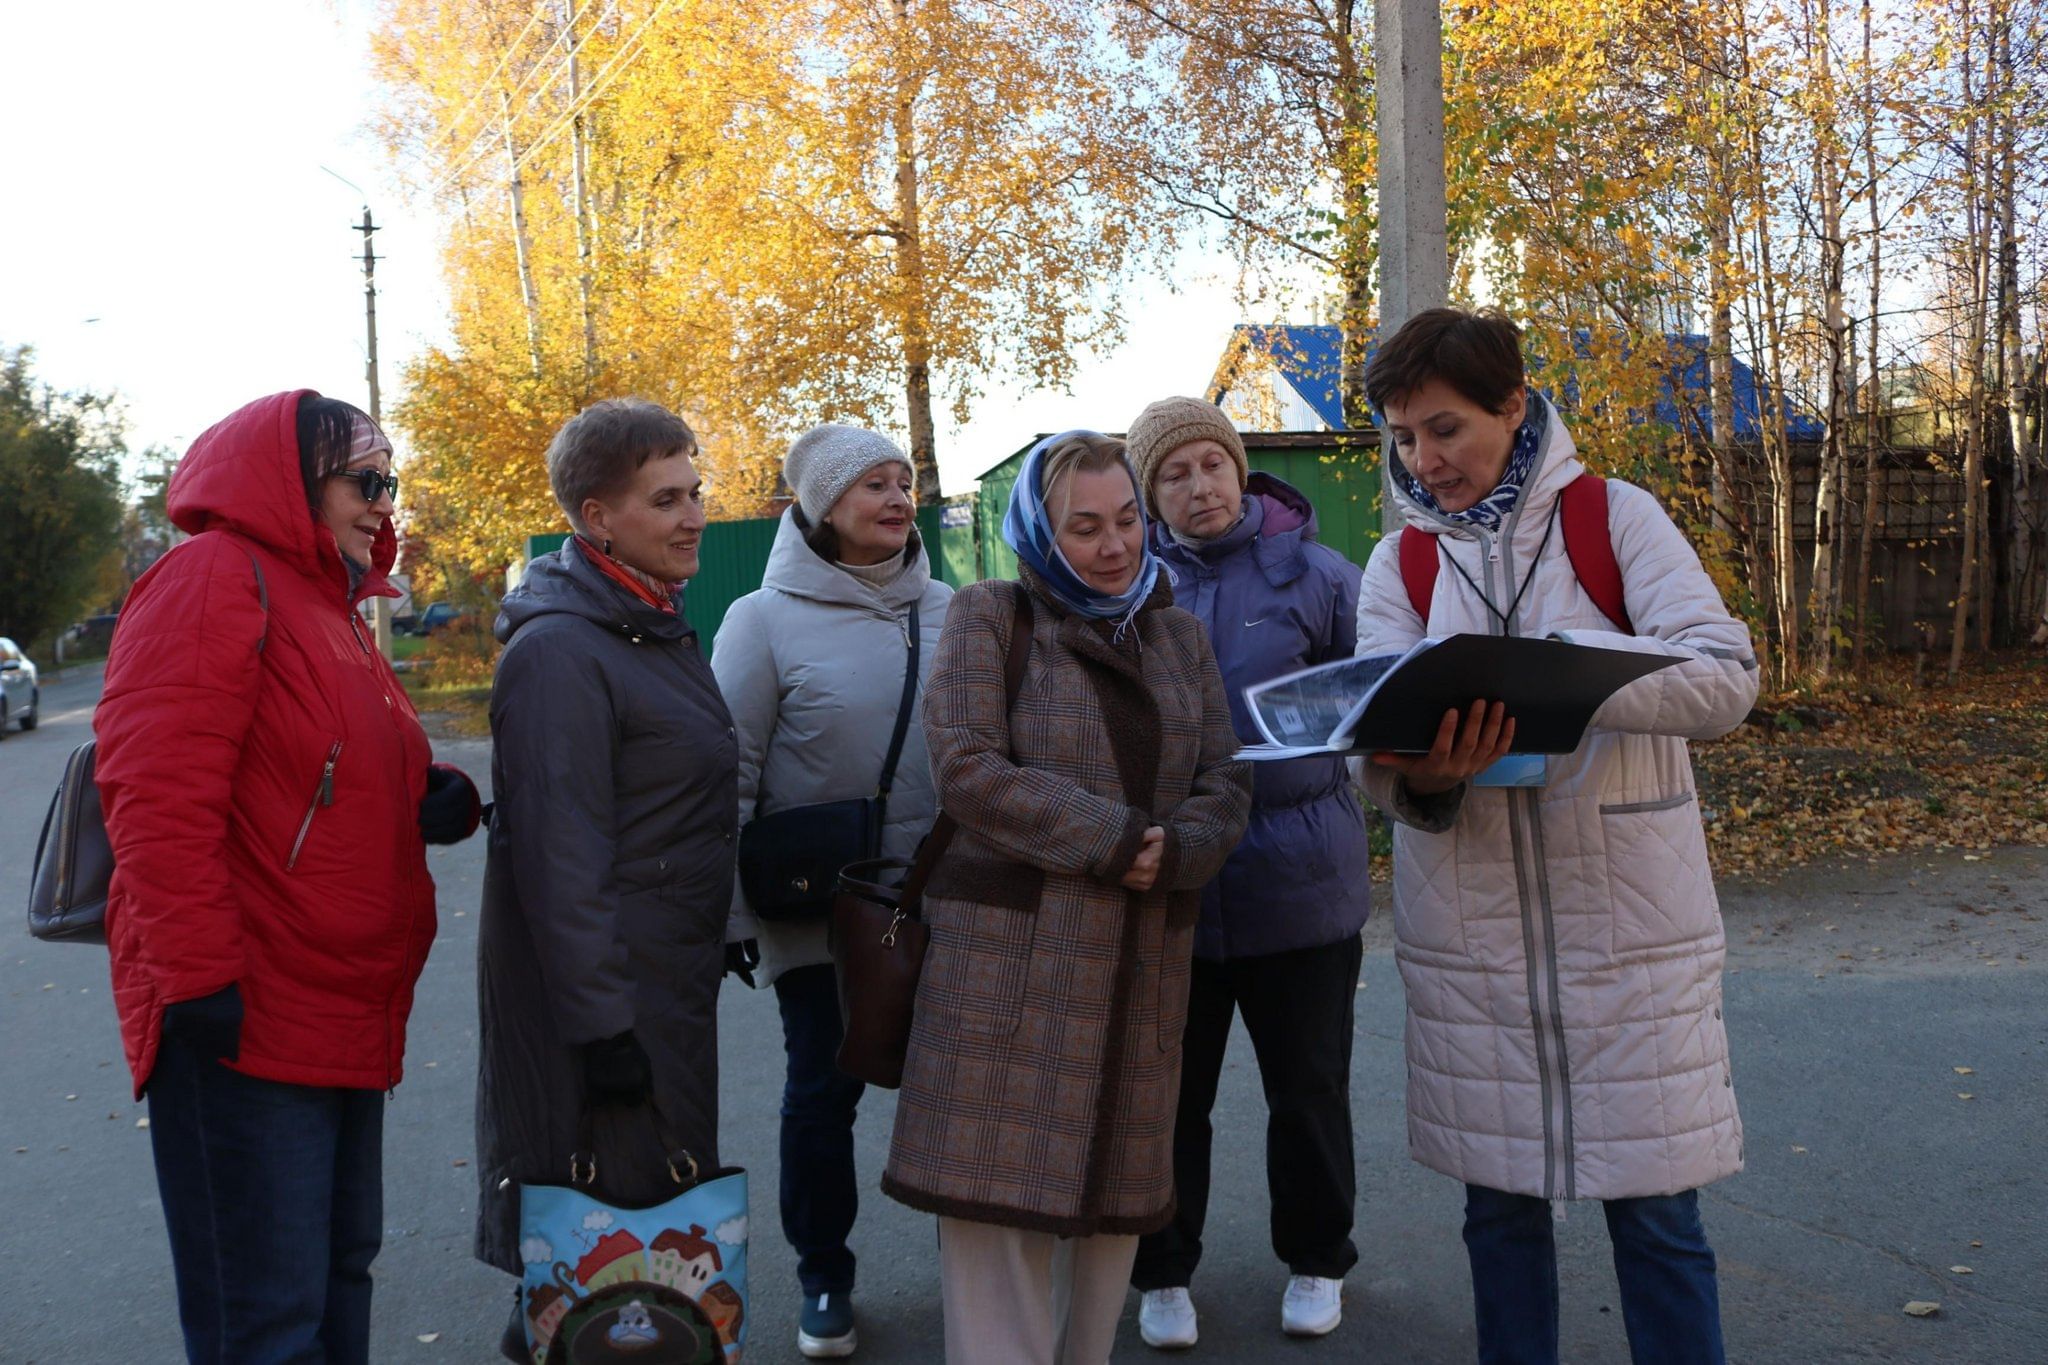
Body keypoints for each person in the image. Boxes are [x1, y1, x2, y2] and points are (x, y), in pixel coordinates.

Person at [1351, 308, 1759, 1365]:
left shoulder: (1611, 518)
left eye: (1444, 429)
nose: (1422, 459)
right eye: (1402, 437)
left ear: (1513, 407)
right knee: (1498, 1220)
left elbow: (1723, 680)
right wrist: (1423, 781)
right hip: (1470, 939)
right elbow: (1374, 750)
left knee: (1658, 1221)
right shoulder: (1398, 567)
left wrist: (1573, 672)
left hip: (1628, 928)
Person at [95, 391, 481, 1364]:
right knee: (266, 1321)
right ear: (291, 479)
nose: (384, 504)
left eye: (389, 482)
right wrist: (194, 976)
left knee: (334, 1281)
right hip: (246, 1012)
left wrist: (430, 793)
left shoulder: (329, 605)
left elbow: (323, 763)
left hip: (341, 1004)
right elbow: (153, 789)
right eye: (366, 480)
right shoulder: (213, 579)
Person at [881, 431, 1252, 1364]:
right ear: (1038, 531)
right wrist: (1115, 839)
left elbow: (1225, 776)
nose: (1116, 545)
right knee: (997, 1235)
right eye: (1085, 527)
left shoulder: (1177, 633)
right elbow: (965, 766)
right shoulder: (988, 615)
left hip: (1138, 971)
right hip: (1006, 975)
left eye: (1127, 519)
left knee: (1105, 1237)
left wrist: (1180, 849)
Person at [473, 399, 738, 1362]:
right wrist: (601, 1027)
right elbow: (558, 857)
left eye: (695, 491)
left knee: (628, 1238)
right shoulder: (560, 653)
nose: (694, 516)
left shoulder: (646, 626)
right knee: (607, 1231)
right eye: (666, 499)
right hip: (613, 995)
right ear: (597, 517)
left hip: (664, 974)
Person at [1119, 398, 1370, 1346]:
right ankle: (1162, 1270)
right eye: (1174, 474)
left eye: (1211, 465)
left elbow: (1378, 694)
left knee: (1308, 1090)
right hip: (1171, 886)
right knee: (1168, 1096)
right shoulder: (1127, 584)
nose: (1199, 486)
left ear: (1240, 468)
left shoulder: (1320, 575)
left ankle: (1316, 1258)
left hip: (1301, 884)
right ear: (1152, 494)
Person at [711, 425, 954, 1359]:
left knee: (955, 1097)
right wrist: (733, 915)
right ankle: (825, 1277)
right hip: (823, 909)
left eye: (903, 482)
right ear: (818, 506)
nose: (896, 498)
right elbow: (728, 771)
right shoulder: (761, 618)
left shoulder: (955, 607)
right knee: (824, 1091)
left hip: (946, 899)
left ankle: (974, 1274)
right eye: (870, 485)